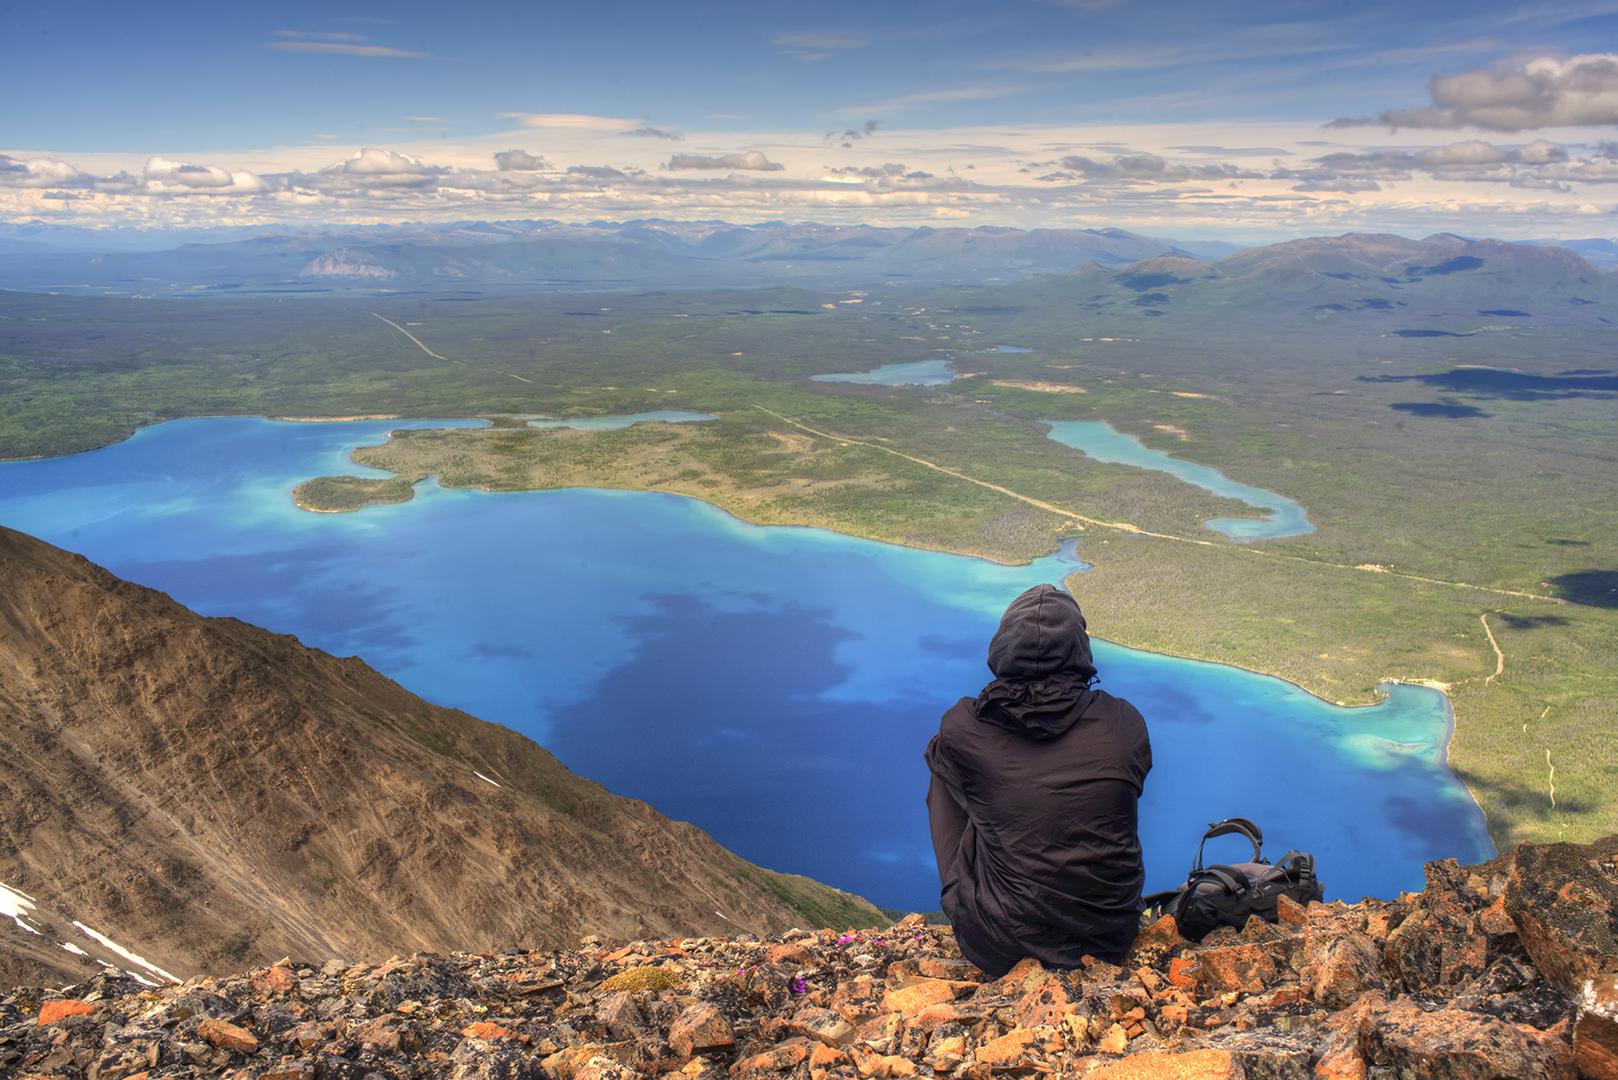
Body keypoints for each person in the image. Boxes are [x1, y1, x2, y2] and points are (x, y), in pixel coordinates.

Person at [924, 583, 1152, 977]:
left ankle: (959, 894)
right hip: (1109, 938)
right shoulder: (1124, 724)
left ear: (1001, 649)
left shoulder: (963, 728)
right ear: (1080, 651)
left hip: (1001, 944)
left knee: (944, 764)